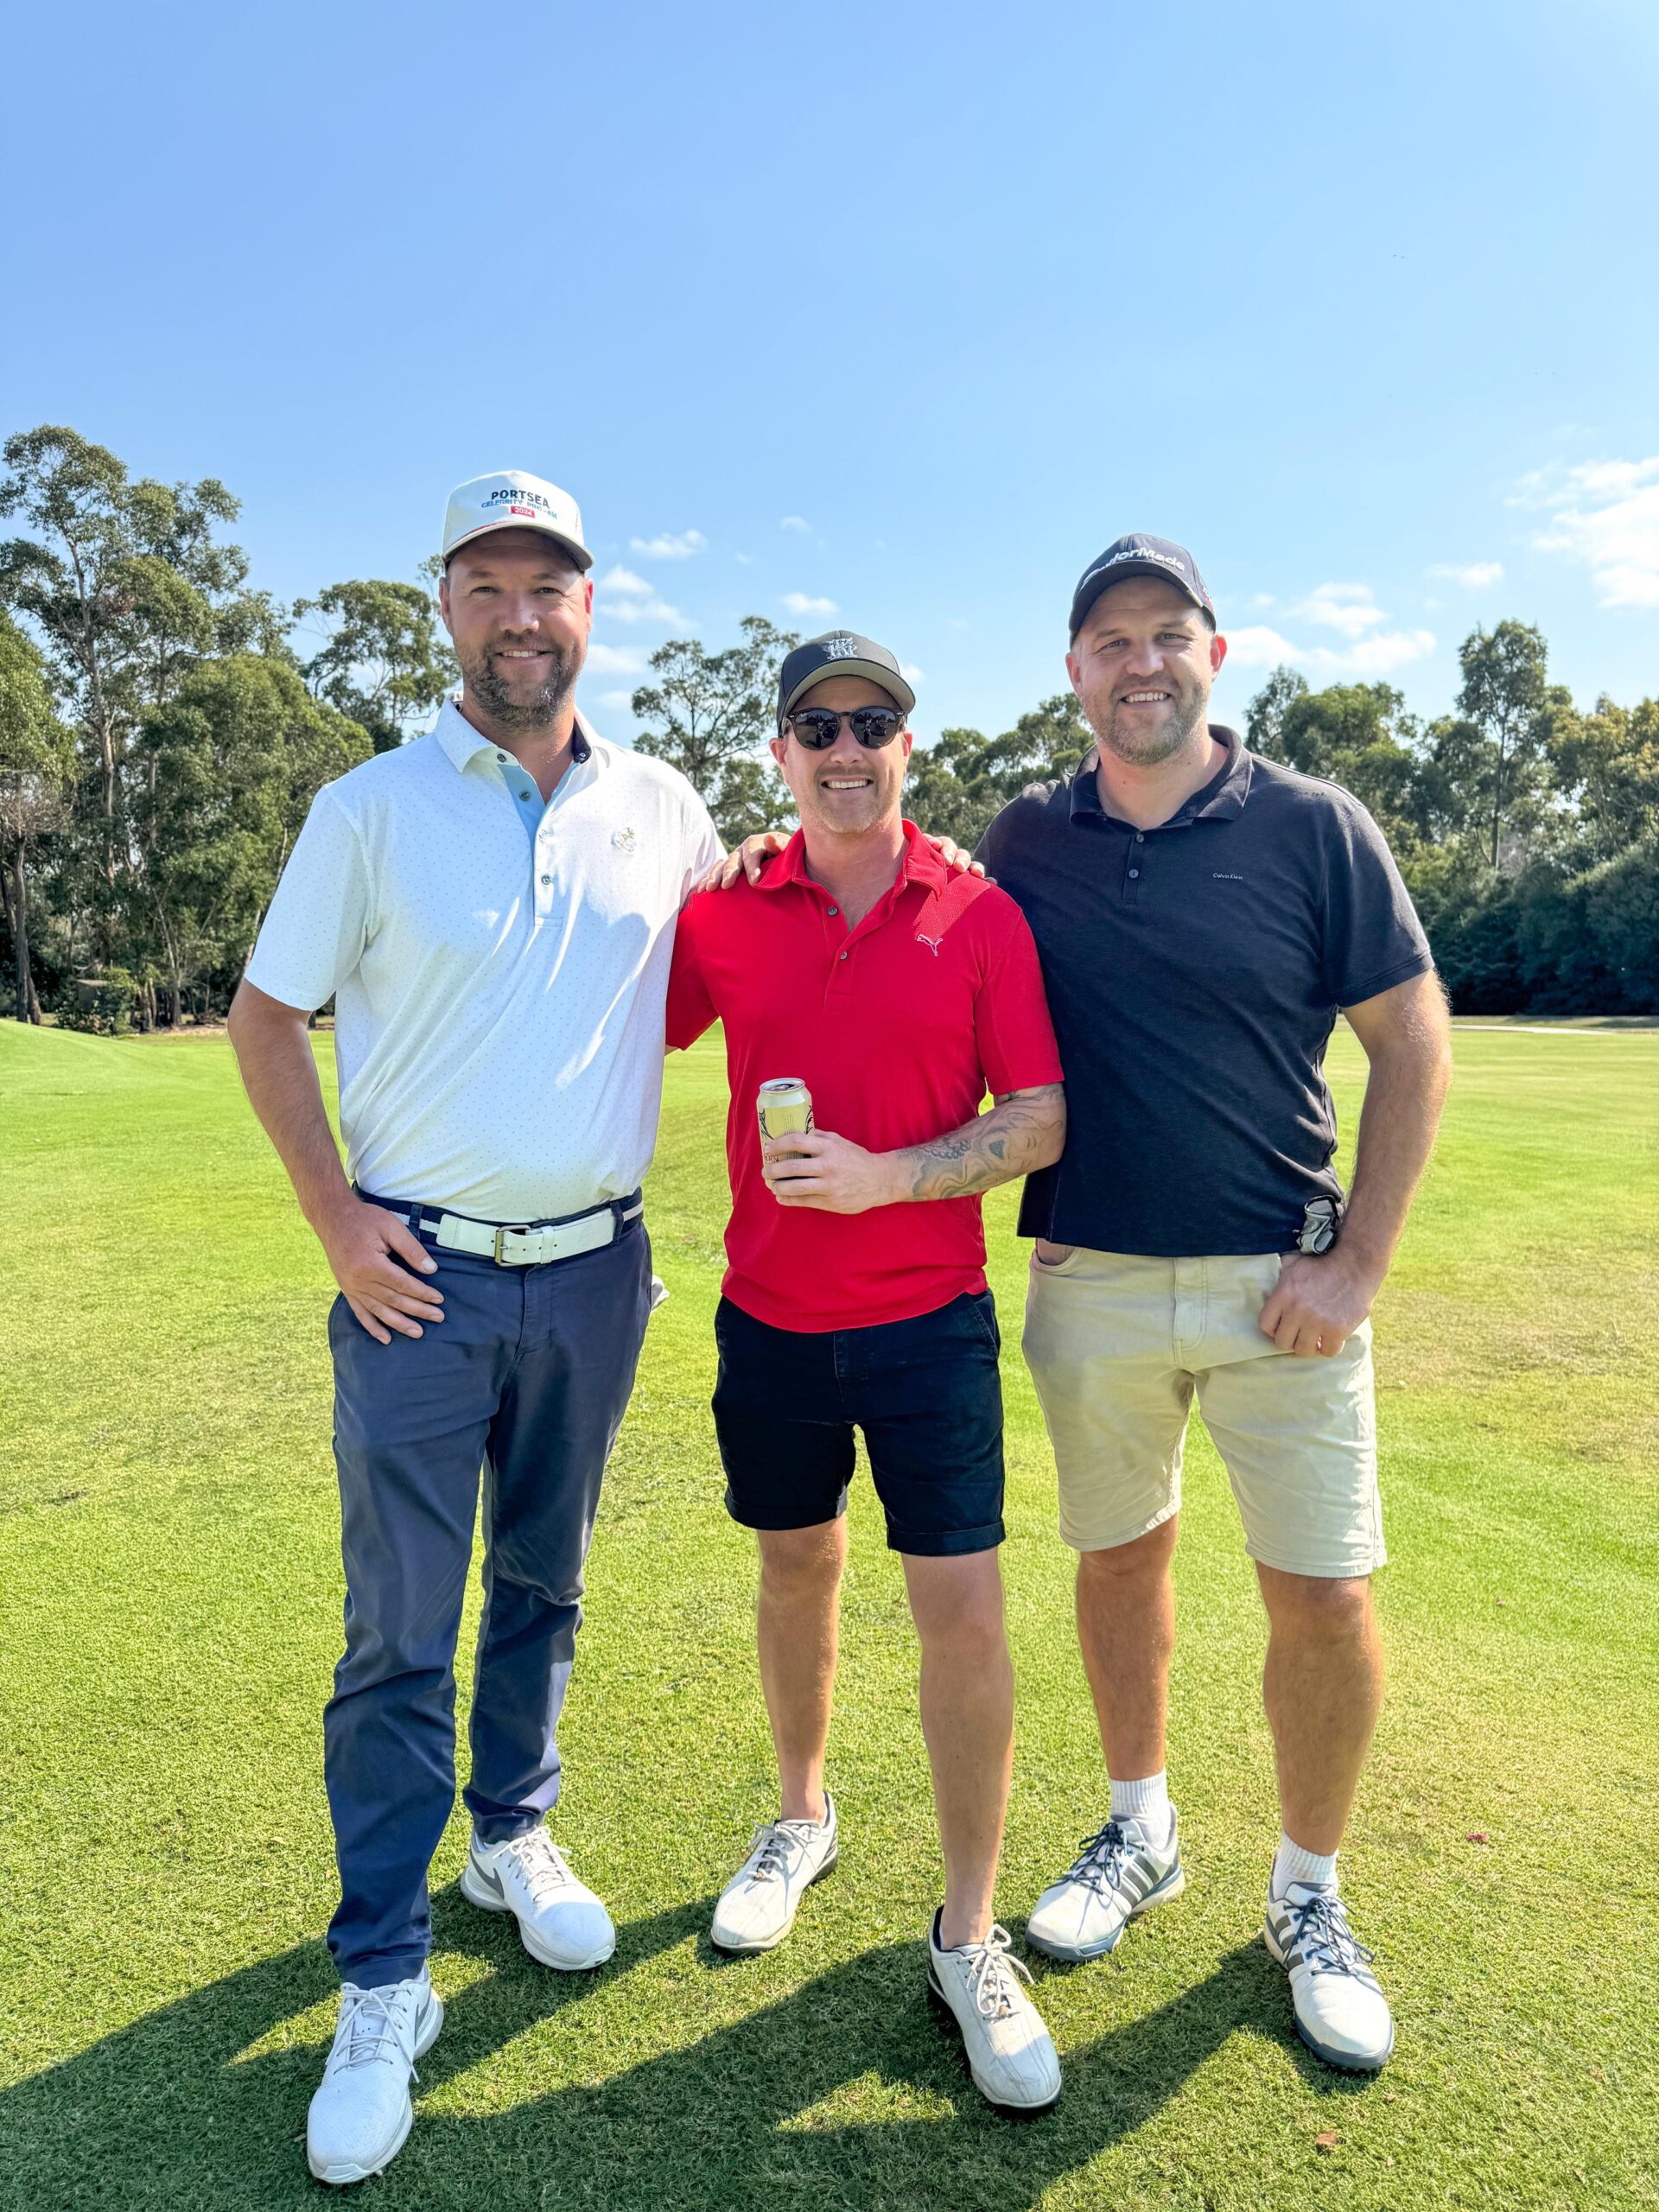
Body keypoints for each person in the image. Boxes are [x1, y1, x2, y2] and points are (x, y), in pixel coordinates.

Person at [227, 471, 724, 2186]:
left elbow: (764, 927)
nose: (524, 616)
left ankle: (511, 1832)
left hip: (596, 1270)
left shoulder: (662, 806)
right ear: (447, 605)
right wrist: (334, 1218)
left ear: (590, 607)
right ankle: (382, 1974)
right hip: (418, 1278)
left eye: (550, 585)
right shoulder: (367, 807)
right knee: (397, 1629)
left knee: (546, 1578)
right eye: (491, 585)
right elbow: (267, 1016)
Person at [977, 536, 1452, 2075]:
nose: (1142, 663)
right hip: (1091, 1276)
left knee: (1324, 1594)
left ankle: (1310, 1893)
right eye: (1111, 640)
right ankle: (1142, 1830)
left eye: (1167, 634)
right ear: (1074, 671)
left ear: (1215, 654)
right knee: (1119, 1562)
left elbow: (1413, 1042)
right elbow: (910, 915)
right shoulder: (1024, 837)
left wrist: (1359, 1264)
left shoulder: (1316, 826)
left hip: (1284, 1290)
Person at [665, 630, 1069, 2116]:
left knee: (962, 1614)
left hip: (928, 1325)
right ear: (781, 752)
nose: (846, 748)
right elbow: (612, 1025)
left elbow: (1038, 1117)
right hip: (768, 1317)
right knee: (795, 1568)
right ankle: (800, 1817)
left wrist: (888, 1176)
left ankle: (968, 1933)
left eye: (872, 723)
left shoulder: (977, 912)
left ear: (910, 745)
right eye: (817, 726)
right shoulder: (724, 910)